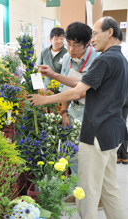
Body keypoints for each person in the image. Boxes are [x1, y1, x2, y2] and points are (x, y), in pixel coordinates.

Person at [29, 16, 128, 219]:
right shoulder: (120, 59)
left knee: (87, 190)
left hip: (97, 133)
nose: (92, 39)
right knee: (109, 188)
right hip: (112, 131)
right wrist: (54, 76)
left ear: (110, 32)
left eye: (95, 33)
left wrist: (44, 100)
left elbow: (78, 92)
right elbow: (82, 83)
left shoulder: (104, 59)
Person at [117, 31, 128, 164]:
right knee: (123, 122)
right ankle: (124, 155)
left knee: (118, 124)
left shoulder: (118, 52)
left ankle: (119, 154)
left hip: (120, 93)